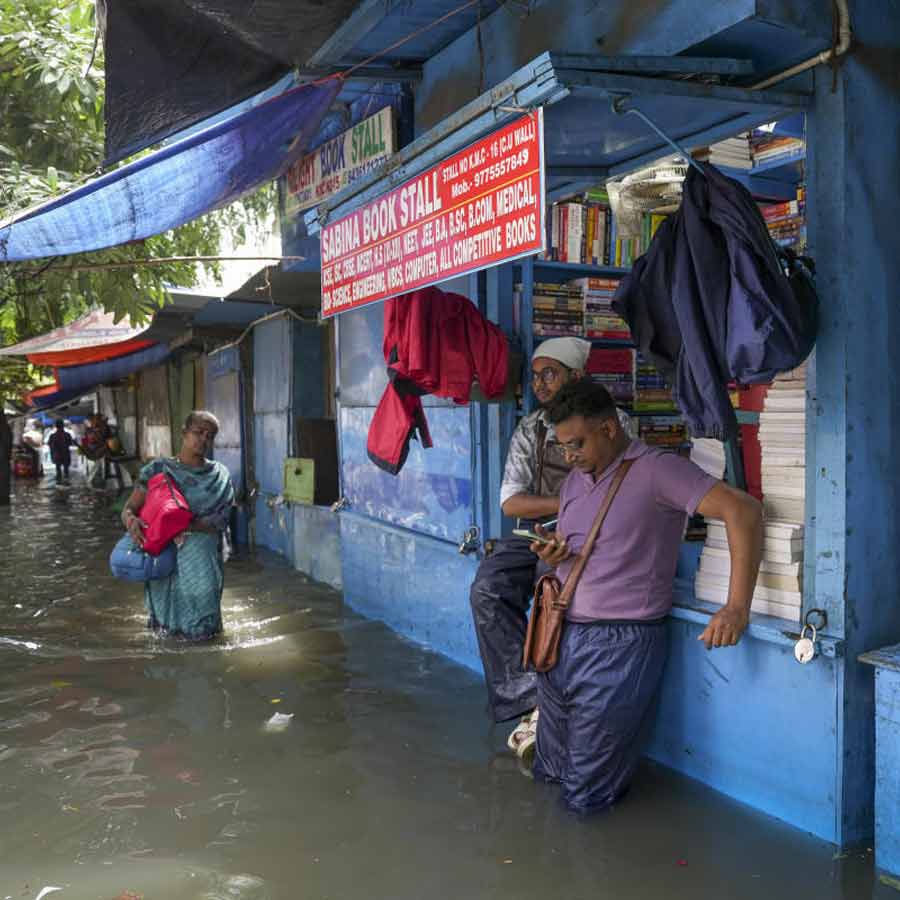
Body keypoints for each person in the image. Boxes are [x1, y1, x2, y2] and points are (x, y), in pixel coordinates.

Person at [529, 378, 763, 814]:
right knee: (549, 772)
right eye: (562, 446)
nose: (569, 455)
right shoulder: (575, 481)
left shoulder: (657, 470)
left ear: (609, 429)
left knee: (586, 793)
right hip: (560, 635)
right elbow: (581, 547)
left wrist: (735, 607)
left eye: (577, 443)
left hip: (620, 643)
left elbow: (742, 510)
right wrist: (554, 553)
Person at [469, 337, 633, 758]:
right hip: (537, 533)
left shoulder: (617, 424)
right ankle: (530, 700)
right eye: (536, 375)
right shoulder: (530, 429)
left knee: (552, 592)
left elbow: (625, 489)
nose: (540, 384)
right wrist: (566, 505)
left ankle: (552, 709)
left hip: (591, 537)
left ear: (576, 376)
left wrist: (576, 512)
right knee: (488, 588)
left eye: (550, 374)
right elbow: (511, 502)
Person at [120, 411, 235, 640]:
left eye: (210, 436)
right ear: (184, 433)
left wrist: (184, 526)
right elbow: (129, 509)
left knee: (205, 629)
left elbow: (221, 520)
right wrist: (131, 522)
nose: (204, 439)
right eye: (198, 432)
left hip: (202, 559)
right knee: (165, 632)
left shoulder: (219, 475)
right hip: (164, 556)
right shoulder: (158, 470)